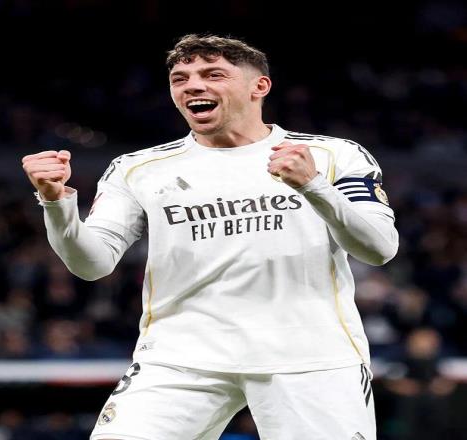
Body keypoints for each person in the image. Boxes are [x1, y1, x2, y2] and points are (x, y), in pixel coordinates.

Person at [21, 34, 399, 440]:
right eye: (180, 79)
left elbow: (379, 248)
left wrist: (313, 185)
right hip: (180, 358)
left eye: (213, 74)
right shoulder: (137, 168)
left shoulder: (332, 156)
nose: (193, 86)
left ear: (259, 86)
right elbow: (92, 264)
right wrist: (56, 203)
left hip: (310, 357)